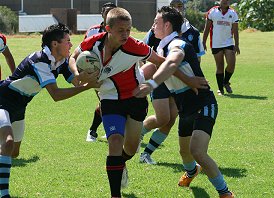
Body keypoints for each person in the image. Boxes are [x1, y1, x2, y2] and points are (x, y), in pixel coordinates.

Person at [69, 7, 206, 198]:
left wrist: (189, 80)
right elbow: (73, 58)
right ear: (108, 29)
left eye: (128, 30)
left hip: (135, 99)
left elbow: (163, 61)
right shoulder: (93, 41)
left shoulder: (134, 46)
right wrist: (76, 74)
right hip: (109, 99)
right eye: (120, 31)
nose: (126, 34)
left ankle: (120, 163)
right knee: (115, 142)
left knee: (130, 149)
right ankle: (115, 194)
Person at [134, 6, 234, 198]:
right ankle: (191, 171)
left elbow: (171, 63)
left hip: (204, 103)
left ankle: (225, 192)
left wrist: (153, 84)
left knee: (197, 151)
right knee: (184, 153)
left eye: (156, 22)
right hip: (185, 107)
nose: (153, 25)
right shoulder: (162, 46)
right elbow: (146, 70)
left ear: (167, 25)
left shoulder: (177, 44)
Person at [0, 23, 100, 198]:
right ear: (55, 44)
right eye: (67, 41)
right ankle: (4, 194)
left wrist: (90, 76)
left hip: (20, 106)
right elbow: (56, 94)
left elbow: (76, 81)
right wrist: (86, 87)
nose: (71, 45)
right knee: (7, 143)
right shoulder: (40, 60)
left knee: (14, 152)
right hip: (2, 100)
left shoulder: (60, 62)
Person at [139, 0, 206, 165]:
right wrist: (146, 78)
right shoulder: (157, 28)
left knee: (170, 120)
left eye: (180, 6)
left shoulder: (193, 32)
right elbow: (145, 54)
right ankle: (136, 134)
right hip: (161, 79)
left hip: (178, 84)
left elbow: (194, 60)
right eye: (174, 5)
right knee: (162, 118)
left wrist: (190, 79)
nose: (177, 8)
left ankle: (146, 154)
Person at [84, 2, 117, 142]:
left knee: (111, 102)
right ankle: (92, 131)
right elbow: (84, 52)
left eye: (112, 12)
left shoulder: (119, 29)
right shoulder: (93, 31)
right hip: (97, 72)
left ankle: (109, 129)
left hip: (115, 71)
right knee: (105, 101)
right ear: (102, 14)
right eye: (107, 12)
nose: (109, 15)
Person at [202, 0, 240, 96]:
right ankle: (220, 89)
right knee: (220, 66)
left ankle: (225, 82)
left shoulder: (233, 13)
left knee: (231, 65)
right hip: (216, 44)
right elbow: (206, 28)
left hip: (228, 43)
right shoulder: (212, 12)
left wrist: (237, 45)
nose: (225, 1)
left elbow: (235, 31)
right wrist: (203, 42)